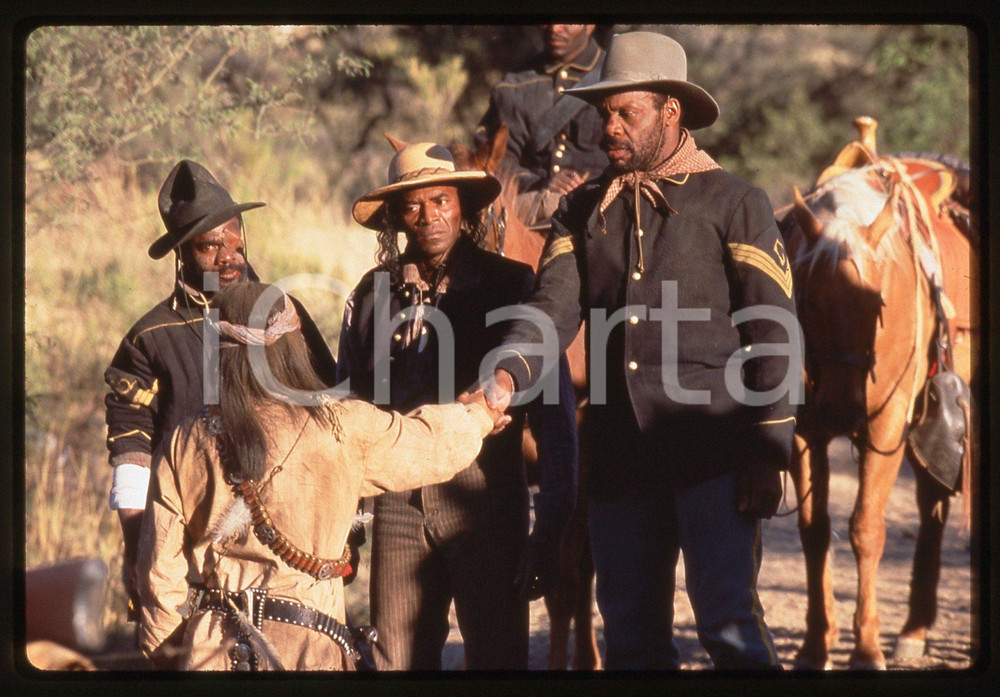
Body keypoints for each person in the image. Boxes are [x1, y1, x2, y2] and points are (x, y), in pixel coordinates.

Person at [488, 32, 800, 670]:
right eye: (605, 113)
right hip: (618, 461)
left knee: (730, 627)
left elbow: (774, 332)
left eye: (625, 113)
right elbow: (550, 310)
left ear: (670, 112)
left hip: (715, 459)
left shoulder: (734, 202)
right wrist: (505, 375)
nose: (609, 128)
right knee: (630, 640)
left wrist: (770, 451)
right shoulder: (581, 210)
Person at [136, 282, 509, 671]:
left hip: (211, 651)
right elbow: (429, 445)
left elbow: (159, 577)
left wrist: (174, 655)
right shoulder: (339, 425)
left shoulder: (185, 440)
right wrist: (480, 413)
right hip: (308, 650)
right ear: (294, 345)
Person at [338, 138, 577, 669]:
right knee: (396, 663)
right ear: (396, 217)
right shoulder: (371, 295)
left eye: (441, 200)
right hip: (396, 505)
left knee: (497, 661)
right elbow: (345, 417)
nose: (428, 217)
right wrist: (346, 528)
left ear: (462, 207)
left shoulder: (511, 286)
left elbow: (556, 419)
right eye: (412, 206)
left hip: (485, 501)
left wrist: (551, 527)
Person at [104, 160, 338, 618]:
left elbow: (328, 408)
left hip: (291, 535)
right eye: (209, 245)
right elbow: (131, 447)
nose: (228, 255)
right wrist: (137, 544)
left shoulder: (283, 313)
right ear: (182, 253)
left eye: (234, 239)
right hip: (192, 535)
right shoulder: (151, 337)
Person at [476, 24, 609, 225]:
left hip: (601, 211)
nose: (555, 28)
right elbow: (495, 160)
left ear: (589, 25)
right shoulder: (513, 87)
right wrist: (540, 184)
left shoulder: (614, 77)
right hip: (531, 214)